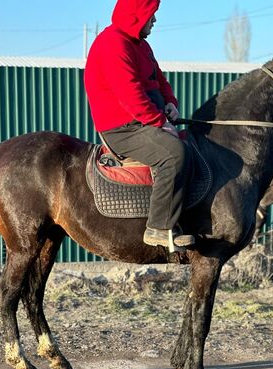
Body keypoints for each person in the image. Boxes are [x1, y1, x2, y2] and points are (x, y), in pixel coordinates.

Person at [84, 0, 194, 250]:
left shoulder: (142, 45)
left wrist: (170, 103)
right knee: (174, 154)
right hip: (122, 128)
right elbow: (129, 93)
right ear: (136, 15)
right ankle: (158, 227)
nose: (154, 21)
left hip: (144, 120)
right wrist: (160, 122)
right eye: (150, 15)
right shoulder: (113, 44)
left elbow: (159, 79)